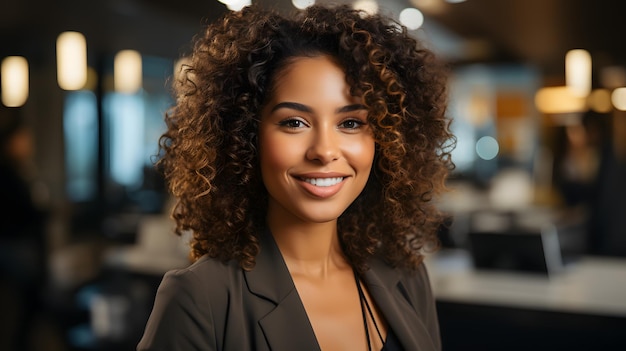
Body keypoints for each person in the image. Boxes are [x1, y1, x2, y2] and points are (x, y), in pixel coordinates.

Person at [137, 3, 454, 351]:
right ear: (246, 136)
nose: (324, 150)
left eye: (350, 123)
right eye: (294, 122)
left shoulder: (407, 278)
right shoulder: (201, 299)